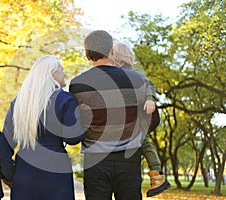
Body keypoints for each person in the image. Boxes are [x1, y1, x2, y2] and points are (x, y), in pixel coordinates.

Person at [69, 30, 152, 200]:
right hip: (129, 159)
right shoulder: (136, 79)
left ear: (87, 55)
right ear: (111, 51)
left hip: (95, 161)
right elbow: (151, 118)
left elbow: (78, 123)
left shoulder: (77, 85)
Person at [3, 55, 85, 200]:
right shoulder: (65, 99)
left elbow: (6, 143)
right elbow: (72, 138)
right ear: (52, 73)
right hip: (56, 168)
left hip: (25, 169)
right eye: (61, 69)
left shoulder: (19, 101)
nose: (64, 73)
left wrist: (9, 174)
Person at [112, 41, 171, 197]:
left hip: (141, 116)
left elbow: (149, 85)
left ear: (118, 59)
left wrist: (150, 99)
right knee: (142, 143)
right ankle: (157, 175)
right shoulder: (123, 73)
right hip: (136, 117)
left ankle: (158, 176)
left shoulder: (134, 73)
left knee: (144, 143)